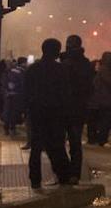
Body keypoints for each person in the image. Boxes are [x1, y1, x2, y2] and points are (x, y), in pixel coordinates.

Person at [23, 38, 76, 189]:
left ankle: (35, 179)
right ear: (57, 51)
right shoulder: (61, 70)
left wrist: (27, 109)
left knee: (36, 148)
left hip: (37, 112)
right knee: (57, 146)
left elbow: (26, 91)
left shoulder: (33, 69)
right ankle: (62, 175)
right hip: (56, 113)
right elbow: (66, 93)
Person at [60, 35, 93, 182]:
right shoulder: (86, 64)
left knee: (59, 143)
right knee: (75, 143)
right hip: (79, 109)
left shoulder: (64, 64)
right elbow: (90, 88)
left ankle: (64, 173)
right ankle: (74, 174)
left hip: (63, 108)